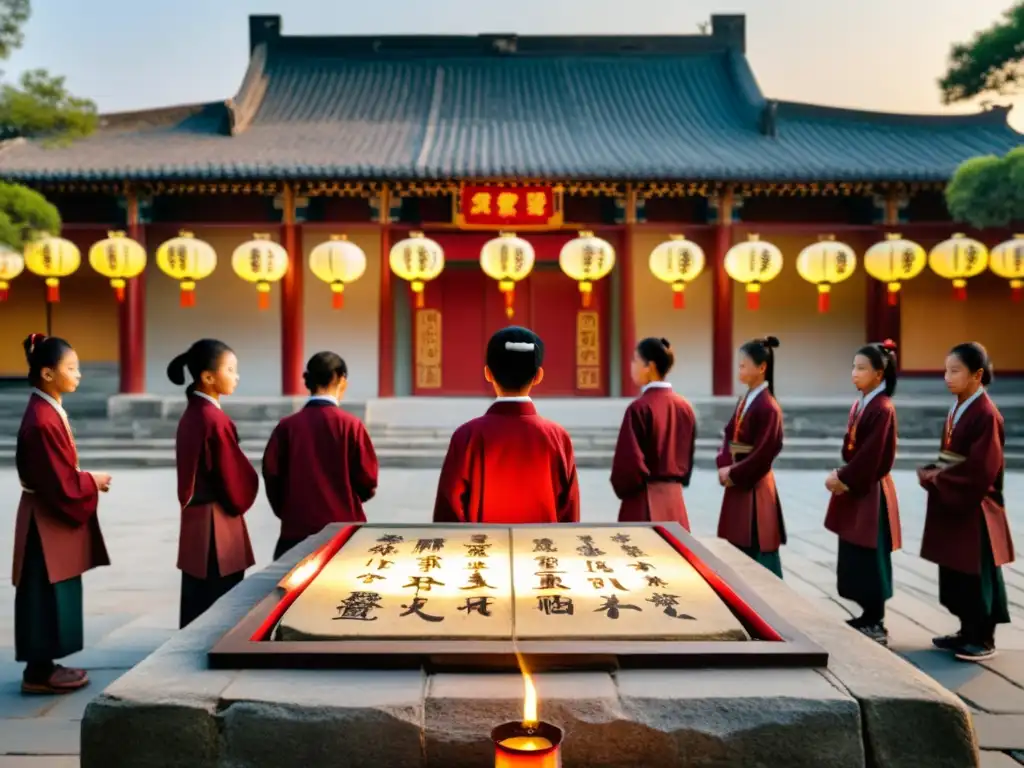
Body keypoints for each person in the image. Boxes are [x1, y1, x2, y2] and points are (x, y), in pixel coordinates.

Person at [12, 333, 112, 695]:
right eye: (71, 368)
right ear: (47, 373)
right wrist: (91, 481)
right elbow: (60, 482)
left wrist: (82, 480)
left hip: (46, 511)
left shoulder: (47, 408)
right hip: (44, 516)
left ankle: (46, 664)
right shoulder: (40, 420)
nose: (79, 374)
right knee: (42, 589)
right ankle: (38, 672)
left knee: (53, 588)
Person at [919, 342, 1014, 662]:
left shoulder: (986, 414)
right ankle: (965, 629)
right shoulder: (960, 407)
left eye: (955, 371)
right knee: (956, 569)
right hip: (954, 496)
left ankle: (983, 636)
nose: (947, 377)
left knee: (977, 573)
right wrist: (935, 472)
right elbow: (950, 457)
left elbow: (981, 468)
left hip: (976, 503)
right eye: (946, 370)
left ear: (977, 375)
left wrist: (938, 479)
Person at [433, 326, 579, 524]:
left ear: (488, 373)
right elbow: (569, 510)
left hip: (482, 552)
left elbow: (449, 510)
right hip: (542, 551)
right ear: (538, 376)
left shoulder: (467, 436)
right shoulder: (558, 437)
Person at [169, 339, 259, 628]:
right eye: (230, 369)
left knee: (199, 593)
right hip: (215, 522)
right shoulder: (213, 419)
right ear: (208, 377)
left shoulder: (196, 413)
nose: (236, 376)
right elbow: (233, 478)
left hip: (198, 518)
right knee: (217, 596)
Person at [263, 352, 379, 560]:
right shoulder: (350, 425)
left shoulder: (287, 426)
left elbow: (272, 474)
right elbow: (367, 478)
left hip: (296, 530)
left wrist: (289, 508)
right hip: (343, 530)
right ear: (341, 379)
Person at [824, 340, 903, 646]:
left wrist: (844, 478)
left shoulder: (882, 408)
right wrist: (845, 472)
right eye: (853, 367)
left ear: (879, 374)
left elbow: (873, 456)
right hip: (859, 484)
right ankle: (866, 615)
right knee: (855, 550)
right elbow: (852, 447)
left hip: (870, 488)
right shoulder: (863, 403)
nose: (854, 373)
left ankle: (876, 619)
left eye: (861, 368)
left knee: (871, 554)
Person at [715, 336, 786, 577]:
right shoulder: (745, 399)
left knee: (755, 545)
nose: (739, 370)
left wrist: (734, 473)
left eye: (743, 365)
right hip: (737, 479)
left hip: (754, 484)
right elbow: (728, 434)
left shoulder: (768, 407)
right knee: (735, 544)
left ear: (762, 367)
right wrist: (724, 464)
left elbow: (764, 454)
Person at [610, 337, 696, 527]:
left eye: (635, 360)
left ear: (649, 366)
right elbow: (687, 456)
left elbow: (628, 465)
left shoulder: (639, 408)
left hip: (644, 501)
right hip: (675, 502)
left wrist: (623, 486)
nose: (631, 366)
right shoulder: (685, 407)